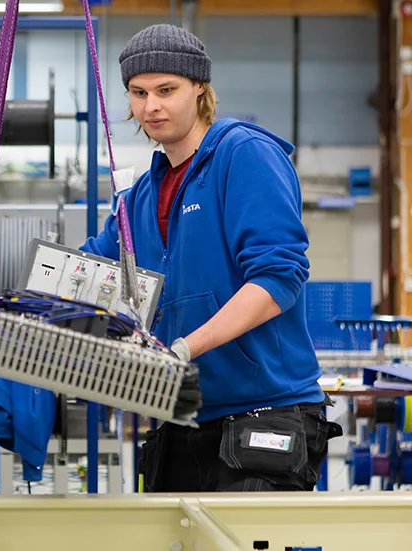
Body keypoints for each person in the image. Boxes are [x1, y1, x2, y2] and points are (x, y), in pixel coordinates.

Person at [80, 23, 340, 493]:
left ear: (199, 88)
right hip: (182, 417)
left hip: (263, 415)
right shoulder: (141, 196)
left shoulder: (243, 155)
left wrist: (186, 347)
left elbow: (278, 278)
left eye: (166, 89)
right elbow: (86, 272)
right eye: (138, 93)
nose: (150, 106)